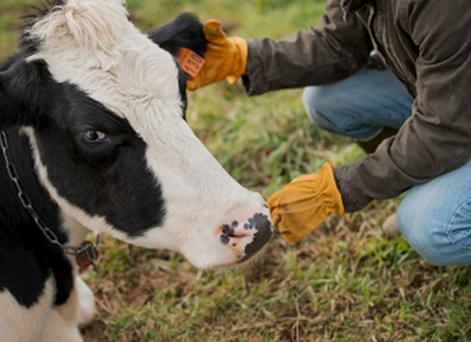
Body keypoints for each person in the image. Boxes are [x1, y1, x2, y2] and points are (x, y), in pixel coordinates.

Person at [188, 0, 471, 265]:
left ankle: (443, 202)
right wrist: (245, 58)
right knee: (328, 101)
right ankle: (431, 182)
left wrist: (338, 189)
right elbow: (338, 45)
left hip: (453, 114)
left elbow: (444, 128)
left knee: (433, 226)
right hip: (452, 95)